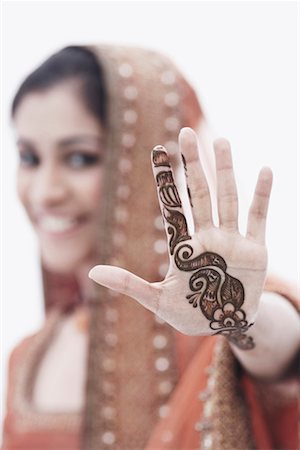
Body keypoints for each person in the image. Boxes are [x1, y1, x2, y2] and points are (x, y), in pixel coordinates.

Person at [2, 45, 299, 450]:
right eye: (29, 157)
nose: (45, 191)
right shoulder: (27, 357)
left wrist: (238, 320)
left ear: (147, 161)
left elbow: (283, 352)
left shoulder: (206, 313)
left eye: (79, 158)